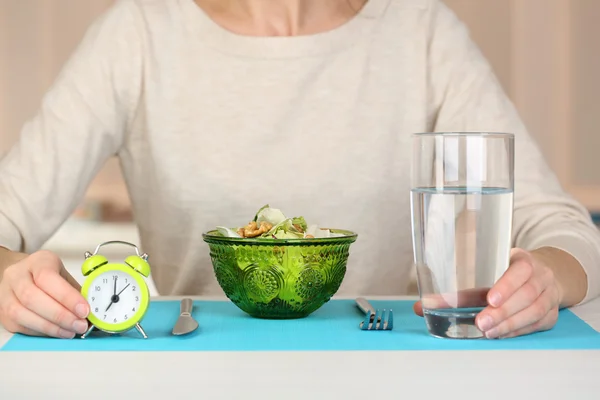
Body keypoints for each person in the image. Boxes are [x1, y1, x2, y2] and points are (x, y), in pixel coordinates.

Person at [0, 0, 598, 340]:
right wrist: (13, 283)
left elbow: (568, 234)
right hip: (192, 374)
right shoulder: (138, 34)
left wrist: (546, 277)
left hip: (393, 369)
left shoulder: (420, 30)